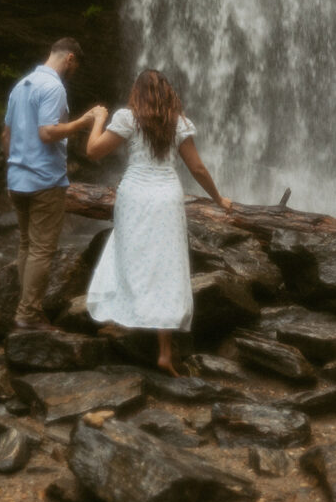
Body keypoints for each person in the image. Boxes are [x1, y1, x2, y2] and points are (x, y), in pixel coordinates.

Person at [84, 69, 232, 375]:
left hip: (135, 195)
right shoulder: (178, 123)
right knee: (166, 266)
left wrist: (97, 119)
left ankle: (122, 318)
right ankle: (165, 351)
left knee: (128, 255)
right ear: (167, 94)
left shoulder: (127, 118)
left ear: (137, 93)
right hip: (166, 196)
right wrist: (219, 199)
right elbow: (198, 168)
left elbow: (92, 151)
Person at [2, 37, 95, 330]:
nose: (74, 71)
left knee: (27, 244)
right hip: (44, 180)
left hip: (17, 178)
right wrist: (84, 122)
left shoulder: (21, 86)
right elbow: (47, 132)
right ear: (69, 59)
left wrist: (14, 166)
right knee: (42, 249)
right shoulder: (53, 87)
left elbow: (6, 135)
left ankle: (28, 307)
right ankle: (28, 313)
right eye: (75, 65)